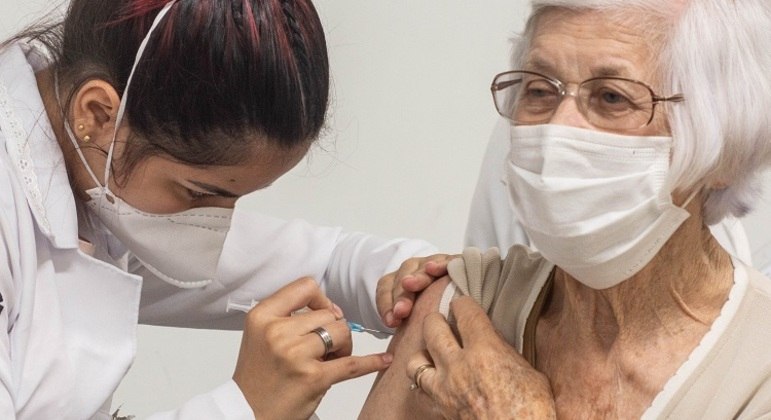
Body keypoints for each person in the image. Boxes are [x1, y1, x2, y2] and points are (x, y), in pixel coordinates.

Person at [0, 0, 438, 418]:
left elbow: (327, 265)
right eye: (195, 193)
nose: (214, 225)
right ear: (97, 114)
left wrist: (404, 276)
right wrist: (247, 406)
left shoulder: (96, 172)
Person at [363, 0, 771, 418]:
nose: (559, 128)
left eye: (612, 97)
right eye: (539, 90)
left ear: (723, 150)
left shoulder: (759, 374)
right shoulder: (462, 306)